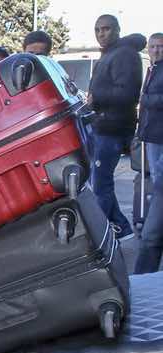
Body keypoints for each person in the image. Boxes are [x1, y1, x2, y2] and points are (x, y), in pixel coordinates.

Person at [87, 15, 146, 239]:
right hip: (104, 126)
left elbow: (129, 94)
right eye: (97, 29)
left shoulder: (124, 54)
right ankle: (120, 228)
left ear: (118, 30)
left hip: (113, 129)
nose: (101, 34)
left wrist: (96, 98)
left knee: (101, 185)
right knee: (99, 183)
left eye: (106, 29)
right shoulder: (110, 54)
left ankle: (107, 233)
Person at [134, 33, 163, 274]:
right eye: (153, 46)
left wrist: (148, 99)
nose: (156, 50)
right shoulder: (153, 69)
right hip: (152, 135)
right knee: (155, 181)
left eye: (160, 47)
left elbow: (151, 100)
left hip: (159, 136)